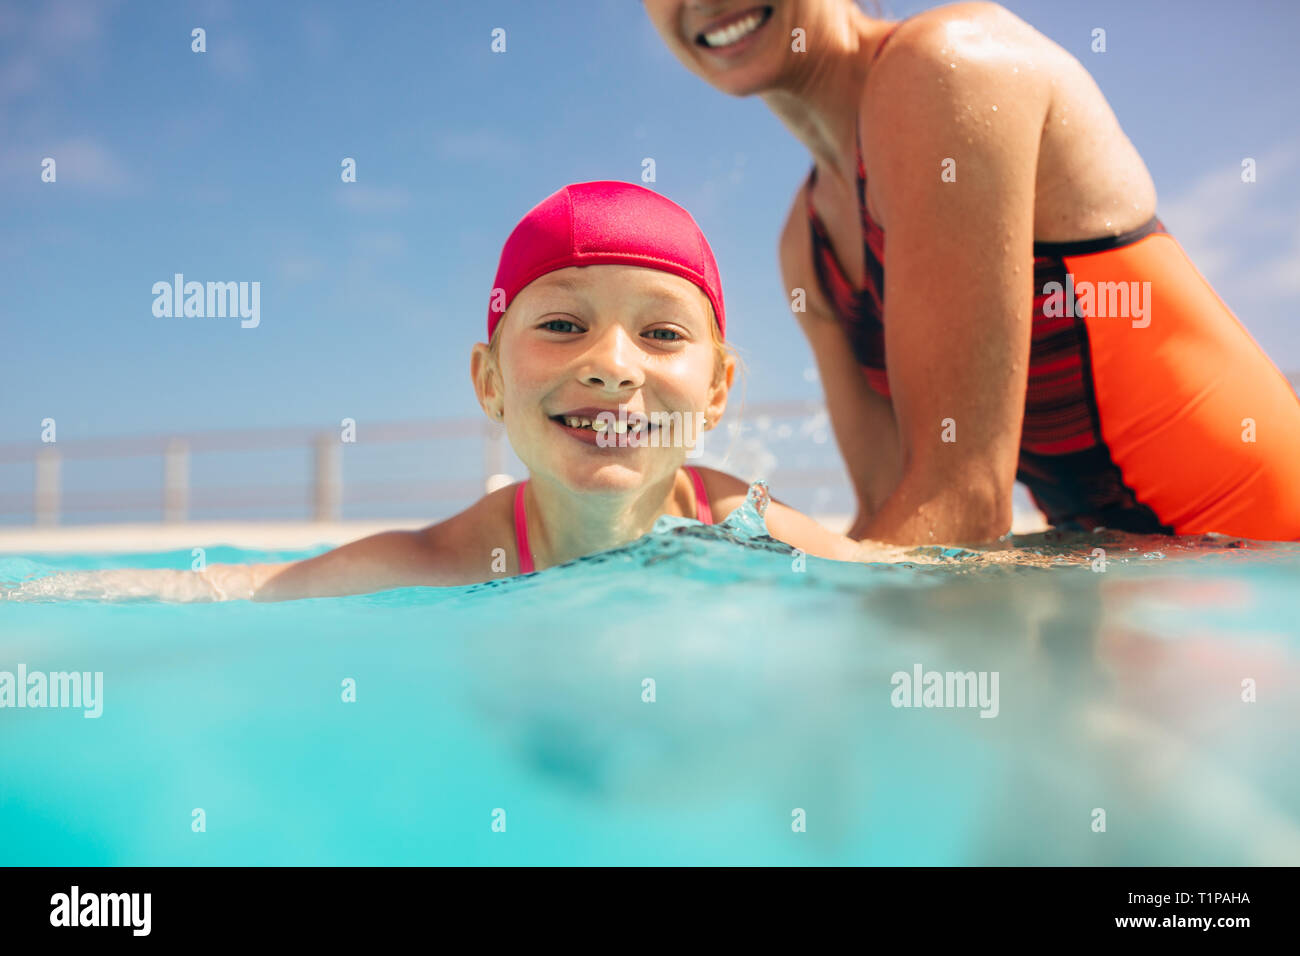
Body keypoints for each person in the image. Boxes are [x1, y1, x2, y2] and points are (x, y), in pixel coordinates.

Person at [12, 181, 867, 602]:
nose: (613, 366)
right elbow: (234, 590)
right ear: (489, 382)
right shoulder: (445, 565)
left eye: (662, 333)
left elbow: (925, 585)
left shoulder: (755, 534)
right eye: (563, 326)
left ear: (716, 391)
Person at [643, 0, 1300, 542]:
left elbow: (963, 505)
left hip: (1266, 567)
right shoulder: (807, 245)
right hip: (1141, 583)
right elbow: (887, 514)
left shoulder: (948, 67)